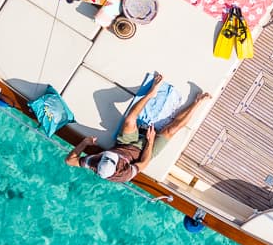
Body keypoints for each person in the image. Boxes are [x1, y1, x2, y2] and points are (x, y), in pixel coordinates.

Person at [65, 74, 211, 184]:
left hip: (125, 143)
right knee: (171, 130)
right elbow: (144, 163)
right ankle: (197, 103)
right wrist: (150, 141)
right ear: (117, 167)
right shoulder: (124, 175)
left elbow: (69, 161)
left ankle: (150, 94)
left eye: (107, 156)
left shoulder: (94, 163)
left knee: (129, 120)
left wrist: (84, 143)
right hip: (143, 153)